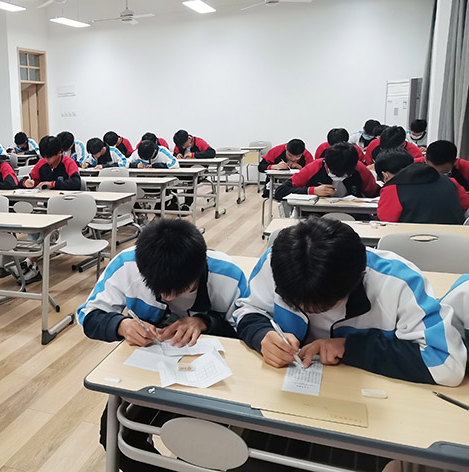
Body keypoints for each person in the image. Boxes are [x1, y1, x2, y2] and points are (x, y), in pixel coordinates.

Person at [78, 218, 247, 471]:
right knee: (114, 436)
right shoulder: (127, 264)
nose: (168, 297)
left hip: (214, 380)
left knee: (204, 447)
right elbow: (88, 316)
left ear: (201, 268)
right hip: (151, 374)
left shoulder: (227, 275)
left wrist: (205, 322)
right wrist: (120, 325)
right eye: (159, 290)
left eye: (179, 290)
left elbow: (247, 333)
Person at [234, 218, 466, 386]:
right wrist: (261, 335)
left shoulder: (398, 282)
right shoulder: (276, 263)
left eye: (324, 307)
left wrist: (349, 347)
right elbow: (247, 310)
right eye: (296, 304)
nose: (310, 312)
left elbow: (446, 364)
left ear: (359, 277)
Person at [375, 148, 469, 224]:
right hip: (454, 239)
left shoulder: (392, 189)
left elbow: (386, 222)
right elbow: (466, 206)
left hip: (410, 240)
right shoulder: (451, 182)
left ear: (385, 175)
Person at [274, 143, 377, 200]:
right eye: (334, 173)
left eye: (344, 175)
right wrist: (312, 191)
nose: (338, 177)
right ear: (326, 164)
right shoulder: (314, 168)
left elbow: (372, 194)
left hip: (353, 213)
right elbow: (280, 192)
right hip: (317, 215)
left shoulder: (361, 169)